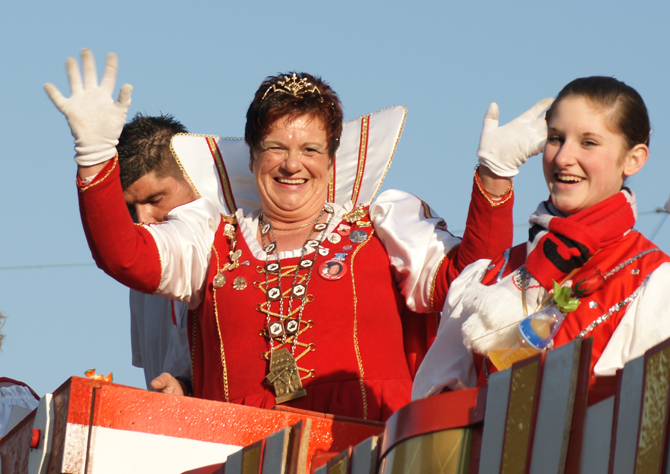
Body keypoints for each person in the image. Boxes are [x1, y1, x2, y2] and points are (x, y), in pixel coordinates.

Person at [46, 50, 550, 421]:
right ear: (252, 155)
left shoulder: (381, 224)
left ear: (331, 160)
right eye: (275, 147)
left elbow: (471, 282)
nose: (292, 163)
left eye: (310, 149)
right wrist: (95, 159)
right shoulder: (209, 241)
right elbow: (125, 256)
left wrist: (493, 177)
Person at [413, 76, 670, 400]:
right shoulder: (490, 275)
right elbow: (431, 415)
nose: (563, 158)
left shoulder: (655, 281)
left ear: (634, 158)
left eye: (588, 142)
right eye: (555, 138)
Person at [117, 113, 194, 391]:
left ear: (191, 177)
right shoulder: (140, 267)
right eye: (130, 208)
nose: (143, 220)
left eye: (154, 200)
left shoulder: (236, 249)